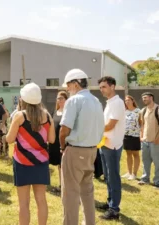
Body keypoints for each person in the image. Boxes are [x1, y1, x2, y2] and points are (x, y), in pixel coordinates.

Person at [6, 83, 55, 225]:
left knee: (24, 203)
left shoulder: (19, 116)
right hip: (41, 162)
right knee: (41, 200)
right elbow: (51, 140)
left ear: (23, 99)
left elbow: (9, 139)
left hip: (22, 162)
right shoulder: (47, 116)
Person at [59, 69, 104, 225]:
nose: (67, 89)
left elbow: (64, 129)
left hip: (75, 149)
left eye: (68, 86)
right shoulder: (96, 101)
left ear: (75, 84)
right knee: (87, 193)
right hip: (92, 150)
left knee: (70, 194)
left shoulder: (74, 100)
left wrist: (62, 147)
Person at [98, 76, 126, 220]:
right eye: (101, 87)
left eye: (104, 87)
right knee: (108, 176)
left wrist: (95, 129)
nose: (102, 89)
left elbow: (110, 125)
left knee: (113, 177)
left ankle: (114, 209)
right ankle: (110, 202)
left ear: (112, 86)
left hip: (113, 146)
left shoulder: (117, 103)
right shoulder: (109, 103)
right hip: (105, 143)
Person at [48, 91, 68, 196]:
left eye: (61, 98)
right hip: (54, 142)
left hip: (63, 142)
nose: (59, 100)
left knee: (64, 165)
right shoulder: (55, 111)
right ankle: (61, 185)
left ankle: (65, 187)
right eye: (58, 98)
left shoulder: (68, 112)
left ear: (66, 100)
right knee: (59, 165)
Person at [138, 92, 159, 188]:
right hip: (145, 141)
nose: (144, 99)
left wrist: (158, 139)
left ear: (151, 97)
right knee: (145, 161)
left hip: (155, 141)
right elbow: (142, 124)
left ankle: (157, 181)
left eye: (145, 98)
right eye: (143, 98)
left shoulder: (157, 109)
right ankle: (145, 179)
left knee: (157, 162)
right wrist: (141, 136)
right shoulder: (143, 110)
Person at [121, 95, 141, 180]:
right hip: (126, 136)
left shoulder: (138, 111)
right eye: (125, 100)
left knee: (135, 154)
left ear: (133, 101)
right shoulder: (124, 111)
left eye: (129, 100)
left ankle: (134, 174)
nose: (127, 102)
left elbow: (141, 123)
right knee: (128, 154)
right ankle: (129, 172)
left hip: (135, 136)